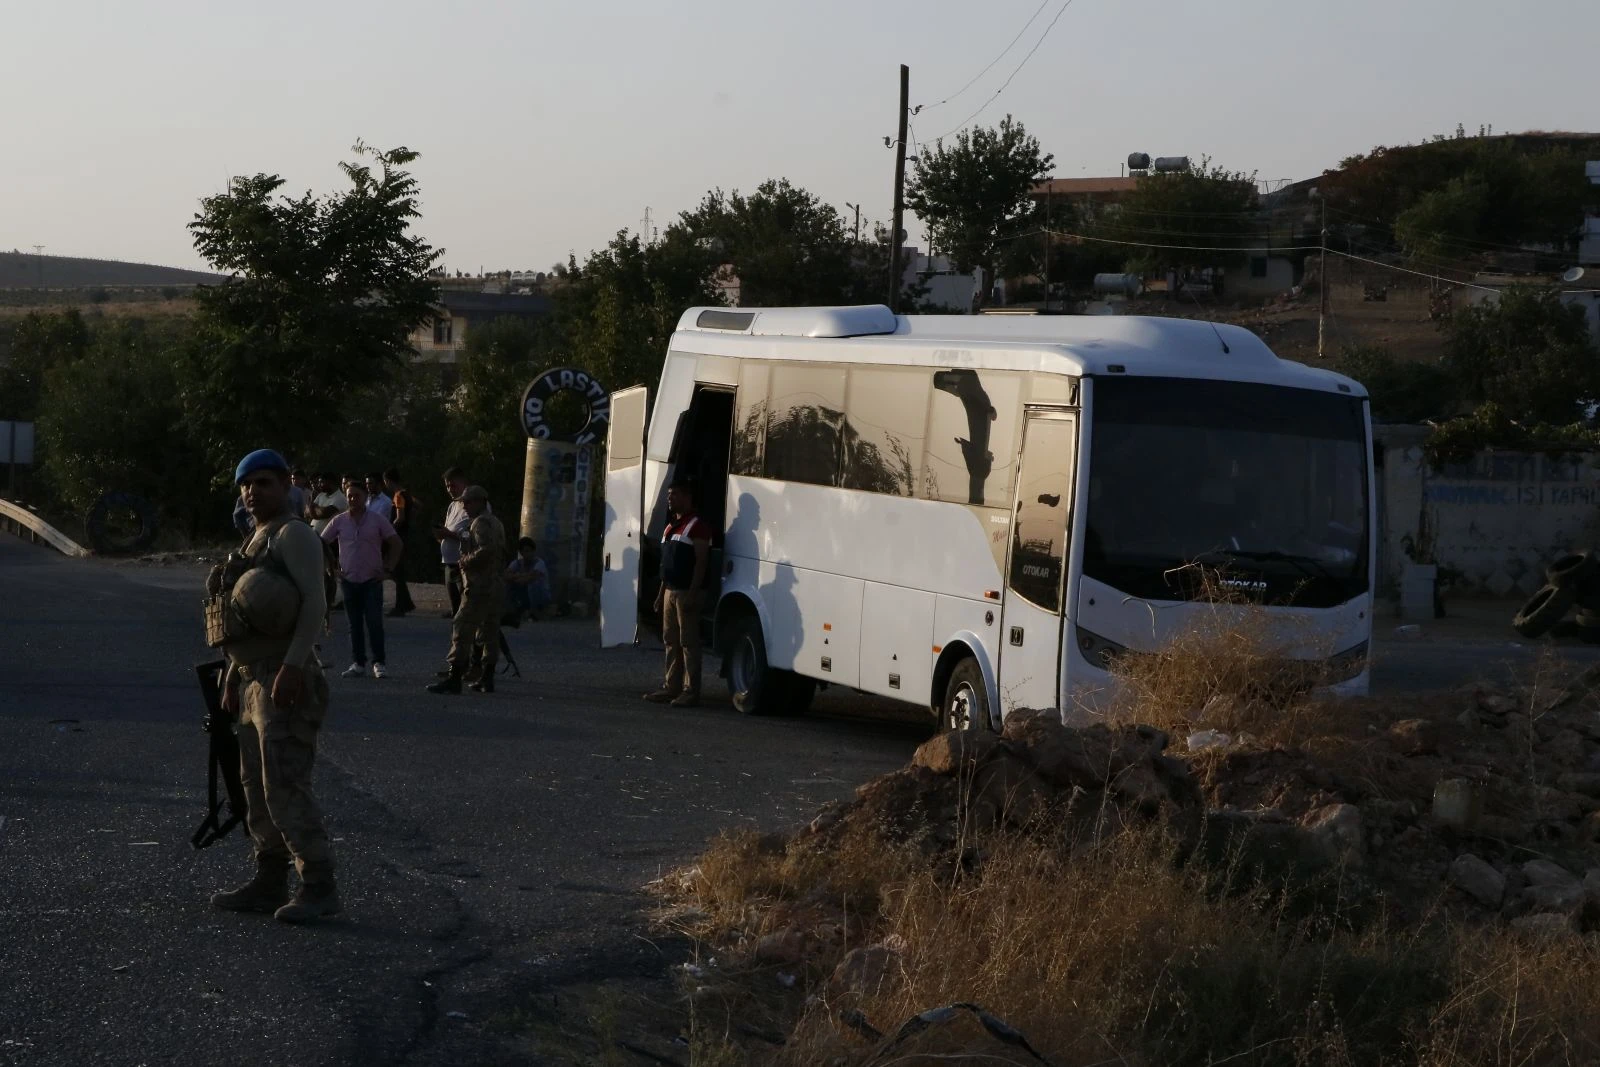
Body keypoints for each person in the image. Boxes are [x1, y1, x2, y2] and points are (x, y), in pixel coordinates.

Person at [210, 448, 341, 923]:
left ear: (286, 485)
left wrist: (291, 666)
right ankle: (269, 881)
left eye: (263, 483)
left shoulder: (294, 535)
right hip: (251, 680)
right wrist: (231, 675)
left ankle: (319, 887)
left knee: (285, 784)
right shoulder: (252, 541)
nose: (252, 491)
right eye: (246, 485)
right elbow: (238, 622)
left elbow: (314, 604)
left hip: (284, 676)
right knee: (255, 788)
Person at [428, 485, 506, 695]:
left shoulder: (481, 523)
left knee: (462, 628)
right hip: (494, 584)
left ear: (481, 501)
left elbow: (486, 550)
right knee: (488, 632)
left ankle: (455, 677)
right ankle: (487, 677)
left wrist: (466, 561)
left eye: (468, 502)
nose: (465, 506)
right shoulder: (495, 522)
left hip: (480, 585)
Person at [320, 481, 402, 680]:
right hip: (349, 579)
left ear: (365, 497)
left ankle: (379, 663)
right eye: (349, 495)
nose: (352, 499)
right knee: (353, 624)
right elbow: (320, 543)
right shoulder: (339, 521)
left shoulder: (377, 520)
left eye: (356, 495)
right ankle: (358, 663)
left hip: (371, 579)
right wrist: (331, 568)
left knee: (374, 623)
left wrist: (388, 569)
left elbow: (396, 543)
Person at [643, 478, 711, 708]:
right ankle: (670, 686)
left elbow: (701, 562)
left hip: (686, 593)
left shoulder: (698, 526)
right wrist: (660, 595)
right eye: (669, 495)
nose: (669, 499)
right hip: (670, 592)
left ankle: (690, 691)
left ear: (687, 497)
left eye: (674, 495)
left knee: (688, 643)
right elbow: (666, 565)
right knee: (670, 641)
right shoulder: (670, 527)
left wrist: (693, 594)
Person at [433, 466, 490, 620]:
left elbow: (476, 538)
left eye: (453, 485)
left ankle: (478, 642)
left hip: (465, 565)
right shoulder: (453, 505)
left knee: (469, 611)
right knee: (457, 611)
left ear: (464, 483)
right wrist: (442, 535)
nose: (450, 489)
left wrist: (449, 534)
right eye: (447, 486)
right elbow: (451, 530)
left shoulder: (478, 506)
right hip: (449, 564)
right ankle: (460, 641)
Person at [383, 467, 417, 617]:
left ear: (388, 481)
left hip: (398, 536)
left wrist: (388, 531)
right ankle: (405, 603)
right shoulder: (407, 494)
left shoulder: (398, 495)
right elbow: (418, 506)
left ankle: (401, 605)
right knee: (398, 571)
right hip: (405, 534)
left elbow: (400, 517)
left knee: (397, 571)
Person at [505, 537, 552, 621]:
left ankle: (534, 611)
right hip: (523, 592)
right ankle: (511, 610)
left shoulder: (539, 563)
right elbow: (506, 575)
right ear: (521, 552)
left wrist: (517, 576)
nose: (529, 554)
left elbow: (531, 577)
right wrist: (520, 577)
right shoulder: (517, 563)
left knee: (533, 584)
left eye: (531, 551)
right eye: (526, 551)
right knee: (506, 584)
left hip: (541, 596)